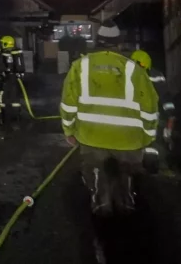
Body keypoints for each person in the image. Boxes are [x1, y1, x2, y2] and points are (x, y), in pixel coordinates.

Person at [61, 43, 159, 215]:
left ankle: (101, 203)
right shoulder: (133, 68)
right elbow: (149, 104)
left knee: (96, 170)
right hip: (130, 138)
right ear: (119, 45)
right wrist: (148, 135)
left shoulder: (80, 65)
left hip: (92, 135)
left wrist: (69, 130)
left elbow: (69, 102)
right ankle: (126, 201)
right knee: (127, 172)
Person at [130, 49, 174, 170]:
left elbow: (165, 98)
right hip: (147, 121)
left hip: (144, 121)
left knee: (149, 150)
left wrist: (170, 117)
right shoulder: (156, 75)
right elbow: (166, 98)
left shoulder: (129, 76)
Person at [0, 35, 25, 120]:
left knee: (3, 95)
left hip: (7, 77)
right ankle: (16, 114)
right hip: (14, 77)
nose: (2, 44)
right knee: (14, 95)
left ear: (6, 43)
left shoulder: (3, 53)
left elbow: (1, 65)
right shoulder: (16, 53)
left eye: (3, 43)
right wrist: (20, 74)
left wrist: (0, 73)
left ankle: (2, 114)